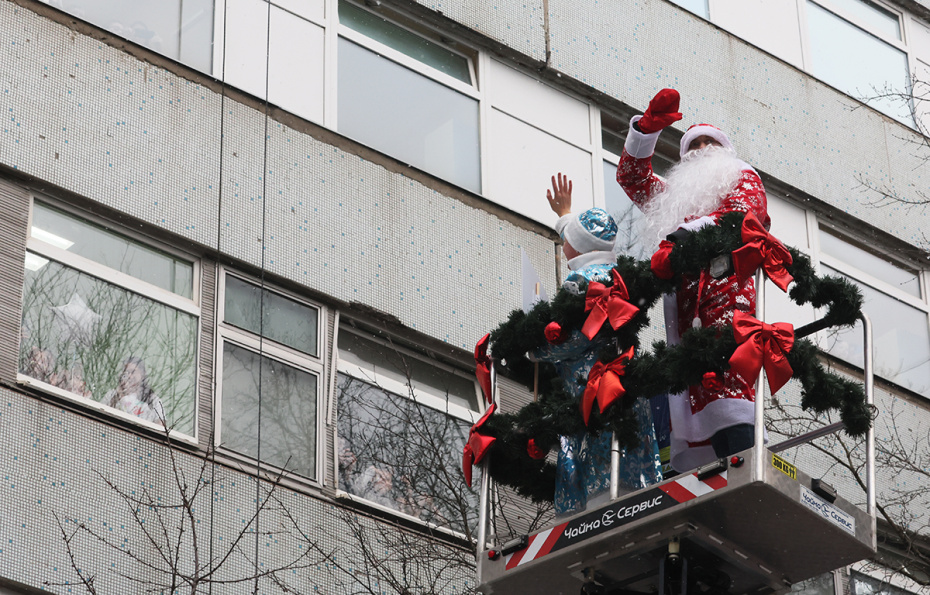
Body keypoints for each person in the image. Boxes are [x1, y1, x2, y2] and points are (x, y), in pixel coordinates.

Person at [616, 88, 770, 472]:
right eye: (692, 145)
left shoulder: (741, 175)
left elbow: (741, 217)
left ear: (725, 150)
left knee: (729, 383)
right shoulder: (677, 199)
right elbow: (632, 178)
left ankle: (744, 468)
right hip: (688, 312)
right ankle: (715, 472)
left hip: (728, 294)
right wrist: (646, 130)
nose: (701, 149)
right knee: (698, 390)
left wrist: (682, 239)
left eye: (709, 142)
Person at [537, 173, 662, 516]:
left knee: (601, 465)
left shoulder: (586, 281)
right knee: (621, 456)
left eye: (568, 238)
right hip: (611, 384)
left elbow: (576, 334)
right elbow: (585, 240)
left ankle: (600, 513)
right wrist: (565, 216)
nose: (564, 243)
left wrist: (536, 348)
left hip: (595, 388)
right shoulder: (608, 272)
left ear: (578, 248)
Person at [105, 356, 166, 425]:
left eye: (133, 372)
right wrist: (118, 396)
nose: (129, 376)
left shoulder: (153, 400)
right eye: (126, 372)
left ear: (142, 374)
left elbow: (161, 426)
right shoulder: (111, 395)